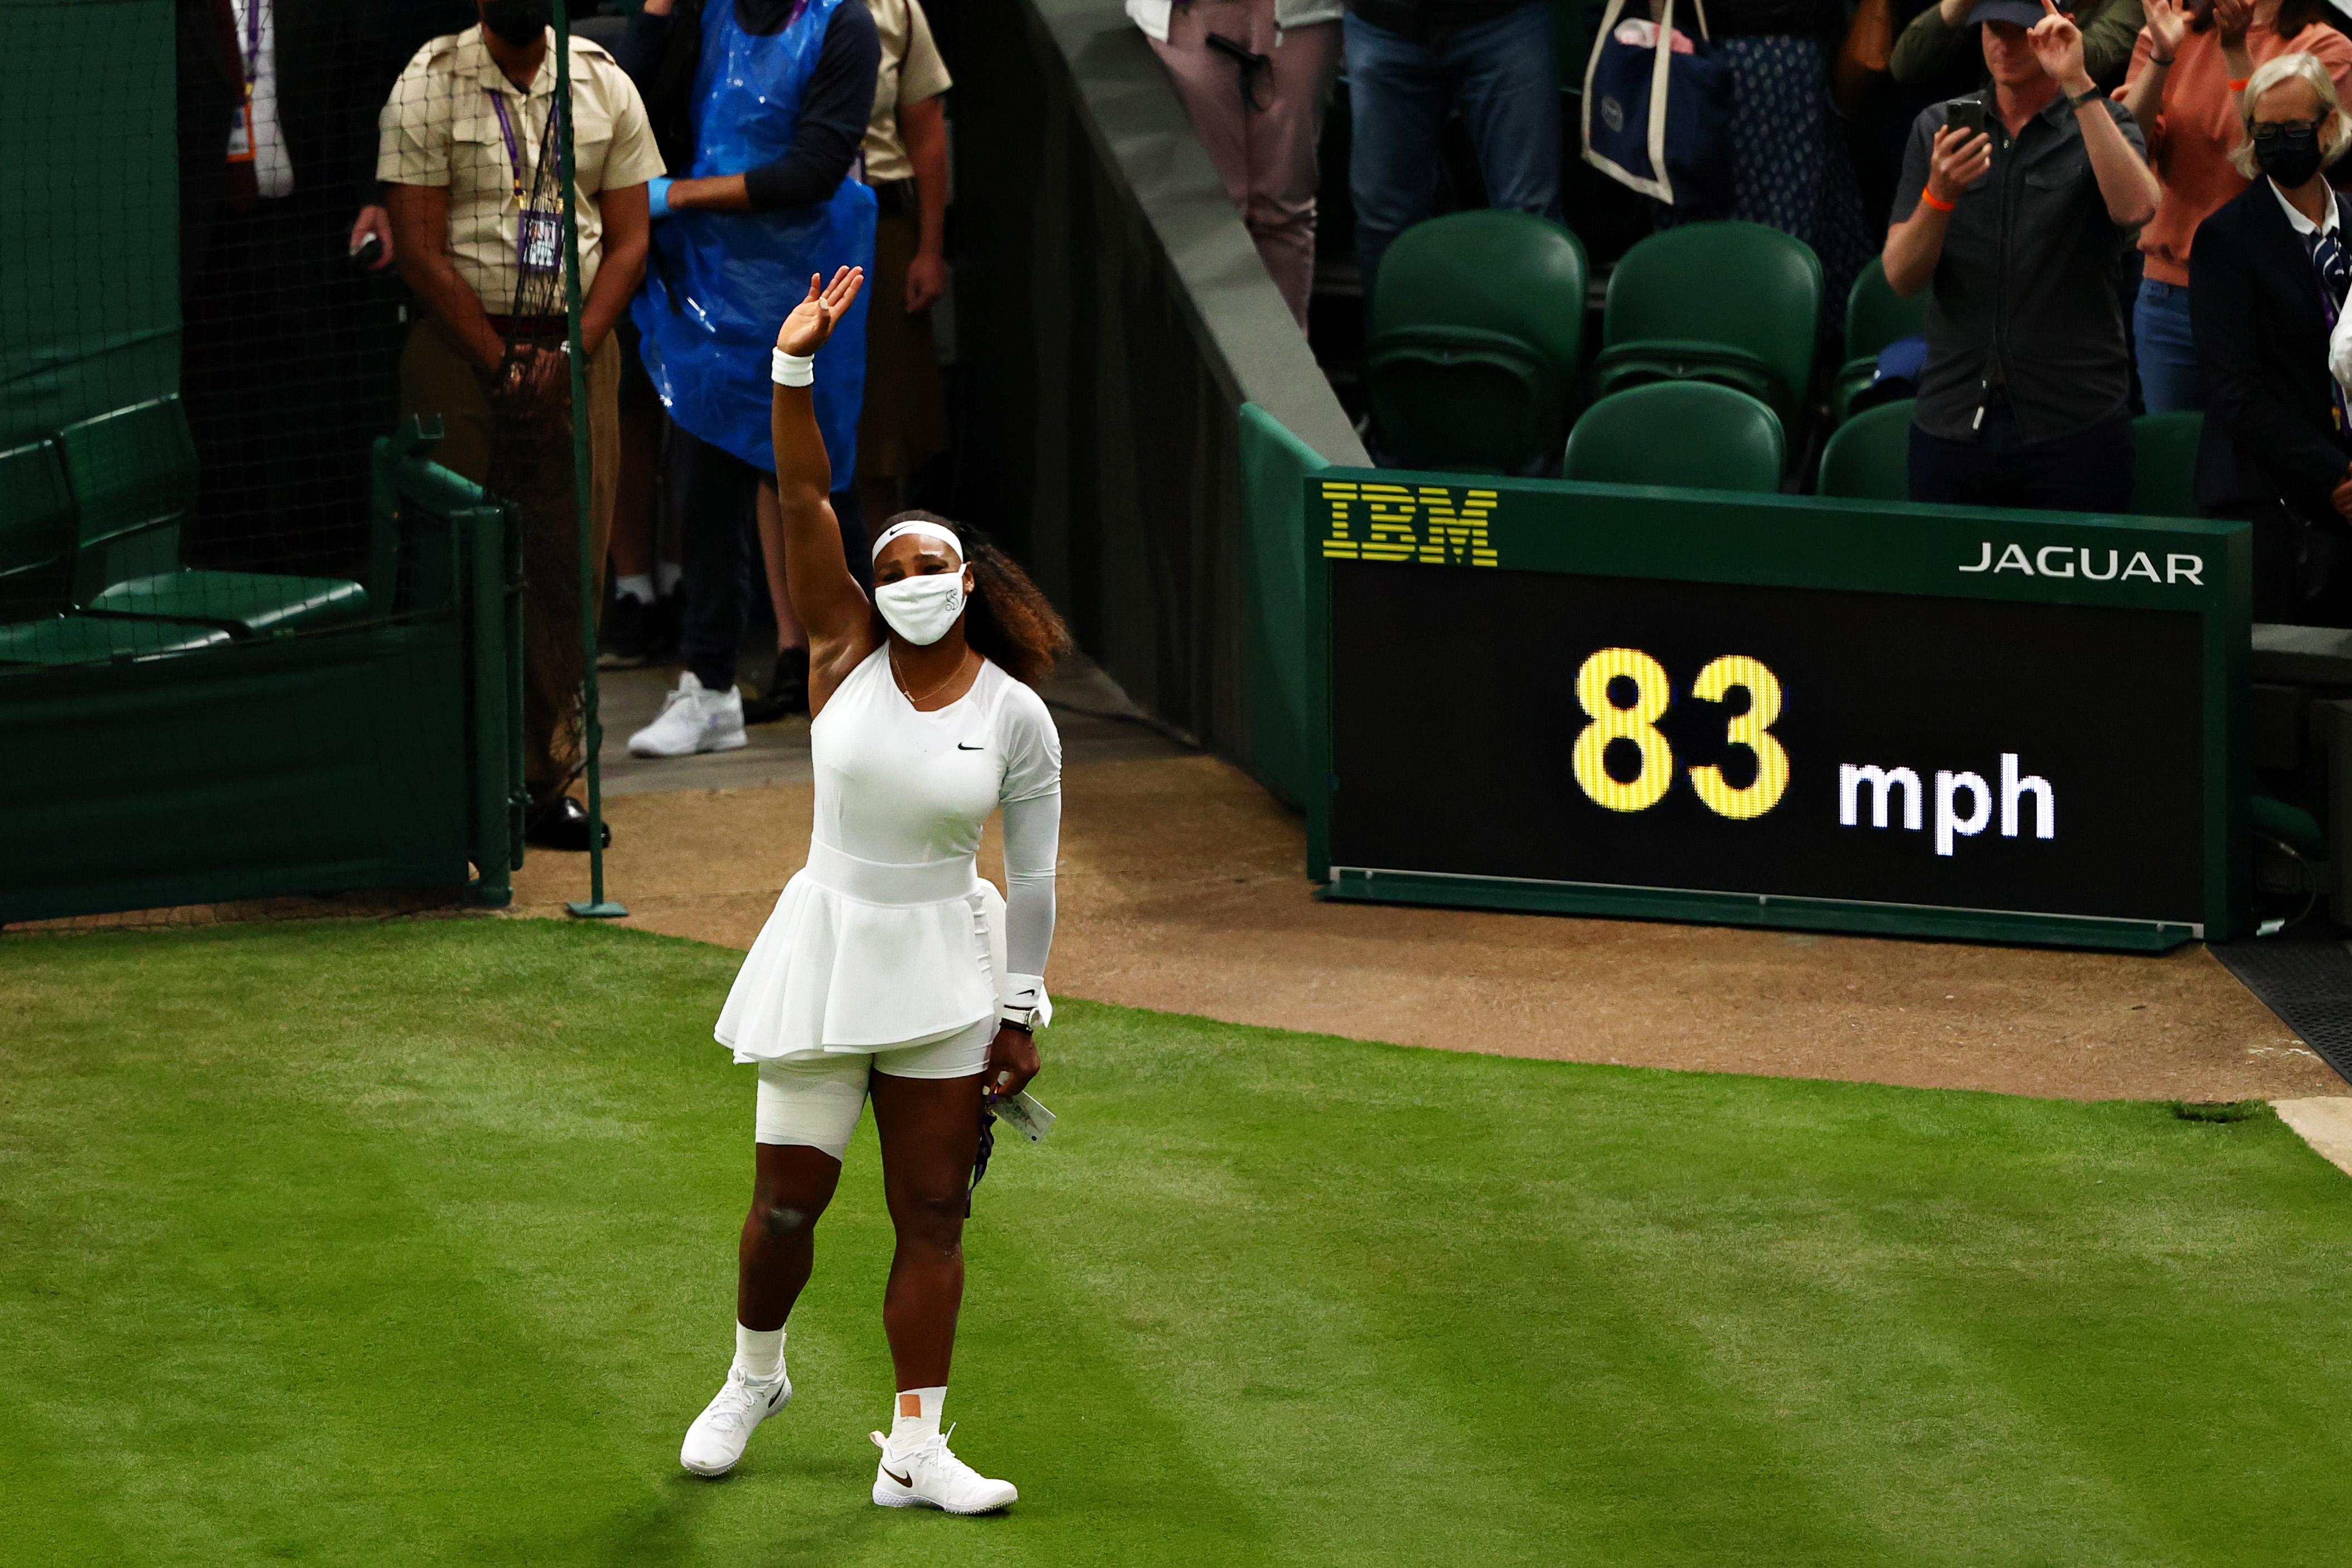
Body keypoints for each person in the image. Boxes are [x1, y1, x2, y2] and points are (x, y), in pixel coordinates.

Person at [674, 267, 1073, 1513]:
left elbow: (1039, 876)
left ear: (967, 582)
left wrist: (1021, 1009)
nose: (900, 573)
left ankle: (917, 1445)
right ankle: (756, 1375)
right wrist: (792, 368)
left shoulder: (1019, 719)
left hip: (948, 966)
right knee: (787, 1203)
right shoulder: (842, 645)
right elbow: (800, 491)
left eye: (924, 560)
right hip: (829, 944)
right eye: (886, 559)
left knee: (934, 1211)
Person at [379, 0, 661, 849]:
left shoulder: (604, 84)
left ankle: (544, 783)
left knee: (567, 561)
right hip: (461, 356)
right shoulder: (428, 83)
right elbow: (418, 249)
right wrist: (499, 358)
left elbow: (630, 242)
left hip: (576, 354)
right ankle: (454, 778)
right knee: (454, 562)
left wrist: (570, 352)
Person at [619, 0, 880, 754]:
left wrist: (678, 196)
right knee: (704, 485)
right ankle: (709, 687)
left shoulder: (843, 25)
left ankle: (875, 686)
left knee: (823, 487)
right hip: (710, 285)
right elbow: (631, 105)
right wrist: (658, 13)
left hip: (806, 281)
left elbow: (813, 168)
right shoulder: (707, 16)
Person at [1884, 0, 2161, 511]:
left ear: (2057, 29)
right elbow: (1902, 276)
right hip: (1954, 417)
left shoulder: (2105, 122)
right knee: (1944, 590)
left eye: (2021, 30)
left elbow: (2139, 208)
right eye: (1993, 29)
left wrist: (2078, 82)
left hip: (2075, 423)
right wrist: (1938, 196)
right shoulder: (1937, 128)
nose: (2004, 44)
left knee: (2077, 590)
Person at [177, 0, 399, 579]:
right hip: (208, 231)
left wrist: (373, 195)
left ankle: (319, 565)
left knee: (315, 399)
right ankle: (229, 566)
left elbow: (366, 85)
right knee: (220, 406)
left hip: (308, 224)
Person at [2121, 0, 2352, 412]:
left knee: (2271, 452)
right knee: (2176, 455)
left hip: (2275, 296)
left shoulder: (2325, 47)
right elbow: (2126, 154)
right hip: (2172, 293)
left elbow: (2274, 166)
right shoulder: (2170, 31)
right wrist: (2160, 55)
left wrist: (2234, 51)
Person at [2192, 52, 2352, 621]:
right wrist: (2335, 477)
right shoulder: (2225, 240)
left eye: (2294, 130)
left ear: (2329, 127)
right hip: (2268, 499)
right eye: (2265, 133)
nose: (2280, 144)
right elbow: (2236, 391)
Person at [1130, 0, 1343, 328]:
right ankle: (1214, 363)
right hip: (1185, 14)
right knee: (1211, 210)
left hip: (1298, 14)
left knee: (1284, 208)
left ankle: (1280, 364)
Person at [1654, 0, 1875, 305]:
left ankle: (1718, 320)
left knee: (1712, 207)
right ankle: (1778, 322)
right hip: (1763, 53)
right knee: (1784, 207)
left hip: (1719, 55)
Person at [1340, 0, 1561, 291]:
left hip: (1507, 18)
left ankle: (1535, 335)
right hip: (1383, 22)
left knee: (1530, 215)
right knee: (1384, 221)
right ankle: (1398, 336)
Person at [856, 0, 959, 521]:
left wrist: (929, 250)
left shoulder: (894, 9)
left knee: (883, 432)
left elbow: (925, 132)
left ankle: (884, 590)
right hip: (784, 228)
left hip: (880, 226)